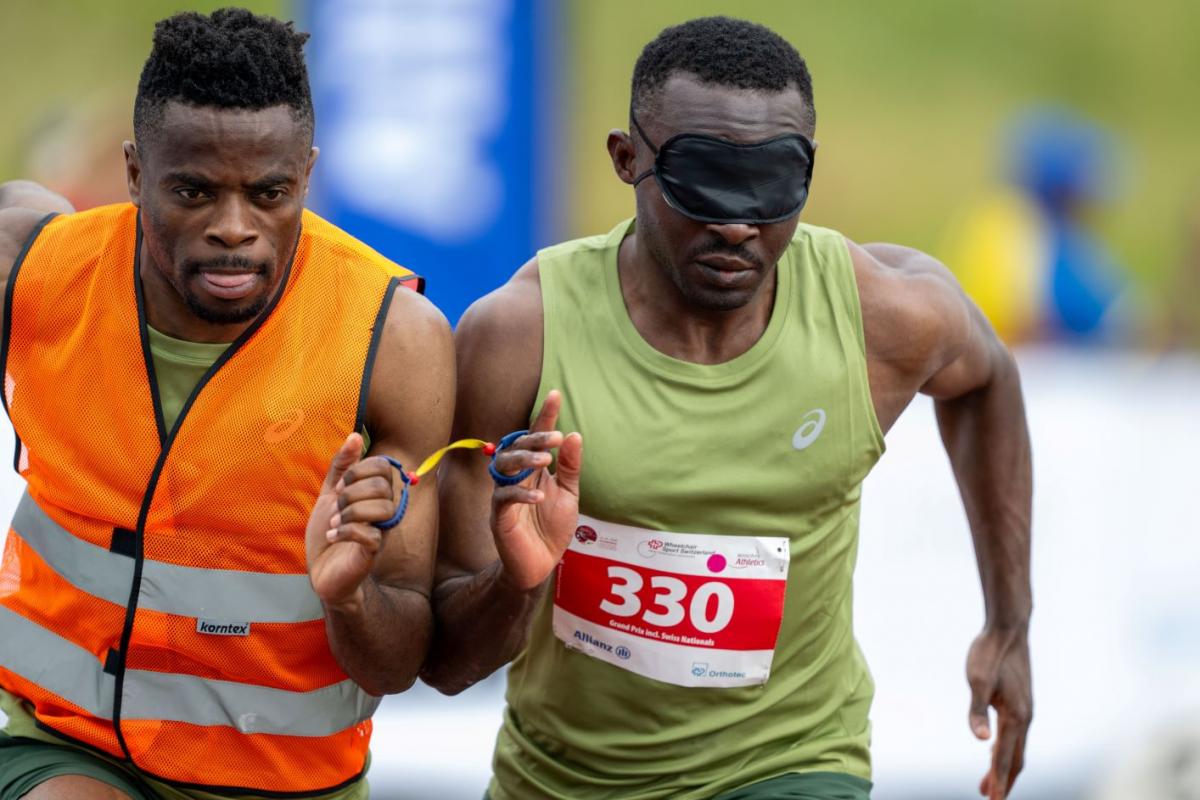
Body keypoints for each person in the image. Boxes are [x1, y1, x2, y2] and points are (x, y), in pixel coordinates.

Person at [423, 16, 1033, 800]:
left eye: (772, 188)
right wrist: (515, 580)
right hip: (563, 778)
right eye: (704, 182)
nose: (738, 224)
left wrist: (1008, 624)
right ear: (626, 158)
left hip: (794, 763)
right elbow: (446, 666)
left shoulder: (878, 318)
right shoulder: (519, 337)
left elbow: (988, 380)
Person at [0, 8, 453, 800]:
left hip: (288, 783)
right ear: (136, 172)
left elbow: (401, 662)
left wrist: (349, 592)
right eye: (194, 192)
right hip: (67, 748)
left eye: (270, 192)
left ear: (307, 174)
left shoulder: (394, 341)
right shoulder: (32, 274)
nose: (235, 229)